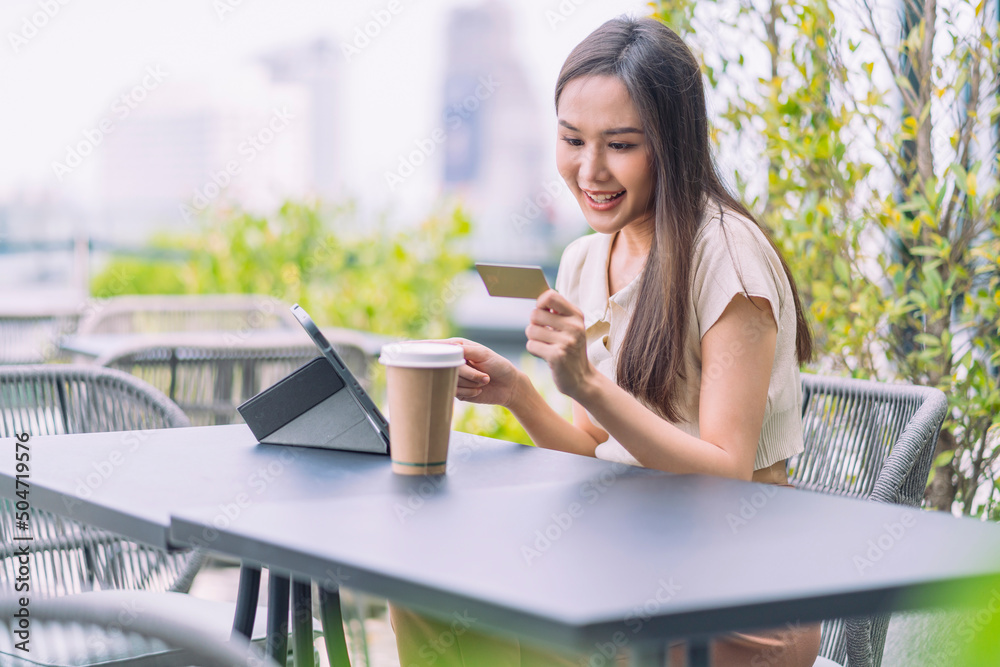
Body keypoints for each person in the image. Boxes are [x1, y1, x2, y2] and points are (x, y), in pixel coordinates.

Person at [392, 14, 822, 667]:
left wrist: (589, 382)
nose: (589, 169)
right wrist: (519, 393)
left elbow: (726, 472)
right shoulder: (585, 262)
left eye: (620, 144)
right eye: (571, 139)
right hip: (621, 558)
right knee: (425, 589)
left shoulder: (728, 259)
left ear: (671, 143)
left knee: (540, 630)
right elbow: (594, 448)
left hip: (737, 593)